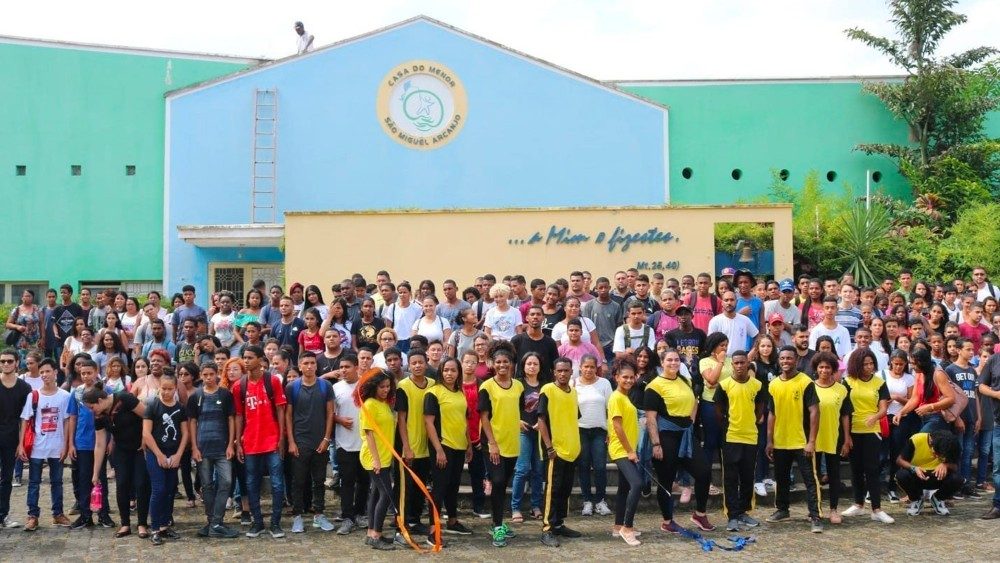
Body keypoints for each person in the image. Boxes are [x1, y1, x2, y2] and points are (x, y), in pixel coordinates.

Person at [644, 349, 715, 533]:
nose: (673, 363)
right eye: (669, 360)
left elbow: (694, 402)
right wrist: (656, 443)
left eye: (676, 360)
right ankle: (668, 521)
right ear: (662, 363)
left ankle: (700, 514)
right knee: (666, 480)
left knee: (704, 472)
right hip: (666, 435)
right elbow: (651, 418)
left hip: (686, 434)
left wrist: (690, 421)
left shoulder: (685, 380)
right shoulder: (654, 386)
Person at [233, 345, 288, 539]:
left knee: (277, 484)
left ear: (259, 359)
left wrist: (282, 437)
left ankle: (275, 523)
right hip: (250, 442)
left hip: (272, 440)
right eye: (244, 357)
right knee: (251, 484)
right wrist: (238, 442)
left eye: (249, 357)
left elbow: (281, 409)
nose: (246, 361)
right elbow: (239, 415)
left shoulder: (272, 381)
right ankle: (257, 522)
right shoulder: (239, 385)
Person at [765, 346, 822, 533]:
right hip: (780, 441)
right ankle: (782, 510)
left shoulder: (806, 382)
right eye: (782, 358)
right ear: (778, 360)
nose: (785, 362)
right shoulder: (773, 385)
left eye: (789, 358)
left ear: (796, 359)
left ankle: (815, 515)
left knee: (809, 480)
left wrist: (811, 441)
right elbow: (771, 414)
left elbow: (815, 412)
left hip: (801, 441)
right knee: (781, 478)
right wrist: (769, 440)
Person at [478, 343, 525, 548]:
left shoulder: (519, 386)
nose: (502, 365)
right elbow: (484, 417)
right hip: (493, 443)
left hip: (512, 442)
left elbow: (518, 411)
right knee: (497, 481)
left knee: (503, 484)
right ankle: (497, 526)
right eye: (498, 362)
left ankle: (499, 522)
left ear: (512, 364)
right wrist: (493, 444)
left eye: (506, 362)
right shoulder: (486, 386)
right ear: (492, 364)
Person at [187, 361, 240, 539]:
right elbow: (192, 422)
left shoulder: (225, 394)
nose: (208, 378)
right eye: (205, 375)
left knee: (226, 482)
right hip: (202, 448)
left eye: (211, 374)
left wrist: (231, 444)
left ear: (217, 374)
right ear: (201, 375)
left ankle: (216, 521)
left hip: (222, 447)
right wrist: (194, 447)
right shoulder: (195, 396)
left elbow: (231, 419)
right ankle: (212, 522)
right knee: (207, 486)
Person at [840, 348, 894, 523]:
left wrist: (876, 417)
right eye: (865, 364)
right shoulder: (847, 382)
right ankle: (858, 503)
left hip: (872, 431)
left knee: (872, 469)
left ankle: (876, 508)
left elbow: (884, 407)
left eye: (871, 364)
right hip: (853, 430)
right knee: (855, 468)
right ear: (857, 364)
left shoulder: (878, 383)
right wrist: (846, 437)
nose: (869, 367)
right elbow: (845, 412)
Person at [714, 349, 765, 532]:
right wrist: (729, 425)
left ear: (747, 364)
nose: (739, 366)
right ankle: (732, 515)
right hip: (731, 437)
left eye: (742, 362)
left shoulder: (757, 385)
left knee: (747, 476)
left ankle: (743, 512)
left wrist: (751, 421)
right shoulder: (725, 385)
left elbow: (760, 408)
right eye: (736, 363)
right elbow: (718, 412)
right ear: (732, 365)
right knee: (730, 477)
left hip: (750, 436)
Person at [284, 352, 336, 534]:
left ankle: (319, 514)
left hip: (320, 441)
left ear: (316, 365)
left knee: (319, 480)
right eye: (305, 363)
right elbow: (288, 416)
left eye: (312, 363)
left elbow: (330, 413)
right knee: (298, 480)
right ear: (300, 366)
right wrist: (291, 441)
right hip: (300, 440)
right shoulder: (292, 387)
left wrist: (326, 438)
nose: (309, 366)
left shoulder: (325, 386)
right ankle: (298, 516)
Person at [423, 357, 474, 540]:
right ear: (441, 372)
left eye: (453, 370)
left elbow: (464, 420)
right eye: (446, 370)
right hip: (443, 447)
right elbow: (429, 423)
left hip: (459, 447)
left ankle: (452, 521)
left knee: (453, 486)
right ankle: (433, 530)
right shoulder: (434, 392)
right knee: (439, 488)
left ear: (458, 372)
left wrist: (468, 444)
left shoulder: (460, 393)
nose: (449, 374)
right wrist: (438, 450)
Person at [18, 358, 71, 531]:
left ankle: (58, 513)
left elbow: (66, 422)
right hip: (37, 447)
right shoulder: (33, 395)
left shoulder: (65, 396)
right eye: (42, 372)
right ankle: (33, 515)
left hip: (57, 446)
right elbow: (25, 421)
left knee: (57, 482)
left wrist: (66, 445)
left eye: (48, 371)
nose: (44, 375)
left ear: (56, 372)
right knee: (34, 482)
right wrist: (21, 445)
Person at [537, 357, 583, 547]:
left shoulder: (573, 393)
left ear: (571, 372)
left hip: (571, 449)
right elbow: (541, 420)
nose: (563, 374)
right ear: (554, 372)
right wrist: (549, 447)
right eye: (559, 371)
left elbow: (574, 418)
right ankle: (547, 529)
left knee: (565, 489)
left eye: (566, 370)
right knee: (552, 490)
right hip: (555, 451)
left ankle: (558, 523)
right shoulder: (547, 390)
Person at [66, 358, 113, 529]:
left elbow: (112, 416)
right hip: (82, 442)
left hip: (101, 440)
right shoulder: (76, 393)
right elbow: (72, 418)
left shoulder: (106, 390)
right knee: (83, 478)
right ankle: (86, 515)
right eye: (83, 373)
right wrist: (71, 443)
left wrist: (111, 440)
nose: (86, 376)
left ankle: (103, 513)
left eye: (89, 372)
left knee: (100, 478)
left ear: (95, 371)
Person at [393, 350, 435, 541]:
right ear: (408, 365)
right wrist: (406, 447)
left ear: (426, 364)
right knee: (404, 487)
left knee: (421, 485)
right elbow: (401, 419)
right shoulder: (403, 386)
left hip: (427, 445)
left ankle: (415, 520)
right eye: (413, 363)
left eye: (420, 362)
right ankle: (400, 521)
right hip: (408, 444)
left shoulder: (433, 385)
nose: (417, 365)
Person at [142, 373, 188, 545]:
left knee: (170, 490)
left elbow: (185, 434)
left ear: (175, 388)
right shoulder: (152, 405)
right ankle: (154, 528)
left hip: (174, 454)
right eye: (164, 388)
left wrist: (178, 455)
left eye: (170, 389)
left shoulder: (180, 408)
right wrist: (159, 455)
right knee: (158, 489)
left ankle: (164, 525)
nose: (167, 392)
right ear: (158, 388)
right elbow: (146, 433)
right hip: (156, 454)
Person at [809, 351, 851, 524]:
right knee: (814, 476)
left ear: (833, 369)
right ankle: (815, 510)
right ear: (816, 369)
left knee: (834, 475)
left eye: (828, 367)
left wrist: (847, 439)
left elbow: (845, 415)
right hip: (814, 438)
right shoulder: (809, 387)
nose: (824, 370)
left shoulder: (841, 389)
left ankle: (833, 509)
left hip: (834, 437)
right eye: (821, 367)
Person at [359, 369, 397, 551]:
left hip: (384, 456)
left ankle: (371, 533)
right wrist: (375, 460)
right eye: (382, 387)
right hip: (374, 457)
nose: (386, 390)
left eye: (388, 386)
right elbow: (369, 434)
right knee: (386, 495)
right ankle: (376, 534)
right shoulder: (370, 404)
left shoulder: (383, 404)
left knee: (376, 493)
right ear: (374, 387)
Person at [607, 357, 642, 546]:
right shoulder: (616, 397)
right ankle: (627, 528)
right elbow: (617, 426)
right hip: (622, 450)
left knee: (624, 488)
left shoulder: (624, 397)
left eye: (631, 377)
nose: (629, 380)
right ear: (616, 377)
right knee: (636, 484)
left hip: (626, 448)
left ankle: (617, 525)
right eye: (625, 377)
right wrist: (630, 451)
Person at [331, 355, 368, 534]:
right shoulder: (336, 388)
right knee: (347, 482)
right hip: (343, 443)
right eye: (341, 367)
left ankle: (360, 513)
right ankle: (347, 517)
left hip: (366, 443)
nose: (343, 370)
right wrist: (338, 419)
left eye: (347, 366)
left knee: (364, 481)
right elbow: (328, 413)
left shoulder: (367, 386)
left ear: (356, 367)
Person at [574, 355, 612, 517]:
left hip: (599, 431)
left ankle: (600, 500)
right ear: (580, 367)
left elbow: (611, 408)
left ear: (596, 367)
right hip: (580, 430)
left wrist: (611, 431)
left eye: (592, 367)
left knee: (600, 466)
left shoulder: (604, 383)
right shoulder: (573, 384)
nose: (588, 370)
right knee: (583, 466)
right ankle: (587, 501)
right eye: (586, 366)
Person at [511, 352, 545, 523]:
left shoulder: (546, 386)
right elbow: (509, 406)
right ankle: (515, 507)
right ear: (523, 366)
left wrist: (543, 423)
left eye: (535, 364)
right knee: (522, 469)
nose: (532, 366)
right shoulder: (517, 385)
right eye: (529, 363)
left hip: (540, 433)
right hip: (523, 431)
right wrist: (517, 420)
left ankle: (535, 506)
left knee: (538, 470)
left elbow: (548, 409)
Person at [896, 430, 963, 516]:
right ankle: (916, 499)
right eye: (937, 453)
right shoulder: (917, 439)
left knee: (958, 479)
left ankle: (938, 499)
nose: (937, 456)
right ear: (931, 442)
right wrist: (914, 468)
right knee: (901, 475)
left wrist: (945, 465)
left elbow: (955, 466)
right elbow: (899, 460)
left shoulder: (950, 445)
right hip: (918, 476)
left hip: (937, 477)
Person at [895, 348, 958, 433]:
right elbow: (915, 398)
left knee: (920, 440)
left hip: (937, 417)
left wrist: (930, 407)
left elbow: (951, 398)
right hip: (922, 418)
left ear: (923, 362)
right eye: (911, 363)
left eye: (914, 364)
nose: (912, 367)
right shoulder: (919, 374)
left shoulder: (938, 374)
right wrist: (901, 412)